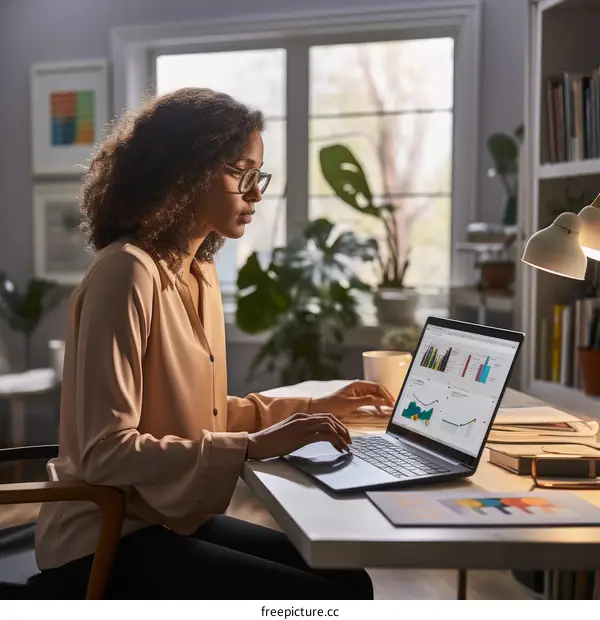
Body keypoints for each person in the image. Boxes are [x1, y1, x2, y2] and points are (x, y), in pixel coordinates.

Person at [33, 87, 394, 600]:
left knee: (346, 579)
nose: (256, 193)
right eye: (239, 172)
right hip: (103, 538)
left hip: (162, 517)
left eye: (258, 174)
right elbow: (103, 454)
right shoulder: (126, 273)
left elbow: (195, 414)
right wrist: (252, 447)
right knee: (327, 596)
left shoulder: (198, 272)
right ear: (181, 173)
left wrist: (313, 408)